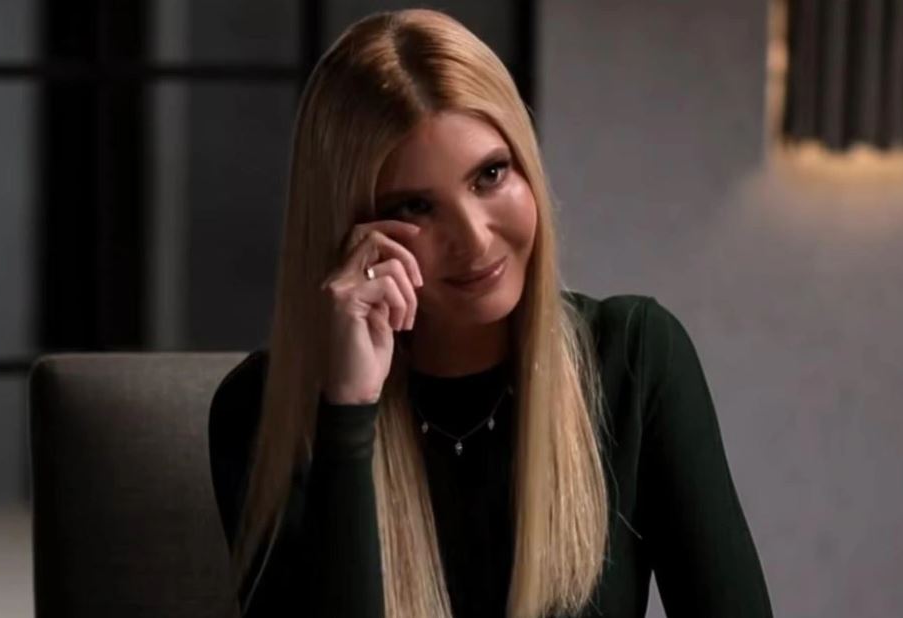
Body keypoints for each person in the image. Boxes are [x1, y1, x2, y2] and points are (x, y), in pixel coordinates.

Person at [208, 8, 774, 618]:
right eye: (416, 206)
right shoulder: (262, 413)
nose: (475, 241)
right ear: (351, 231)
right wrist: (347, 414)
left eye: (491, 175)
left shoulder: (635, 359)